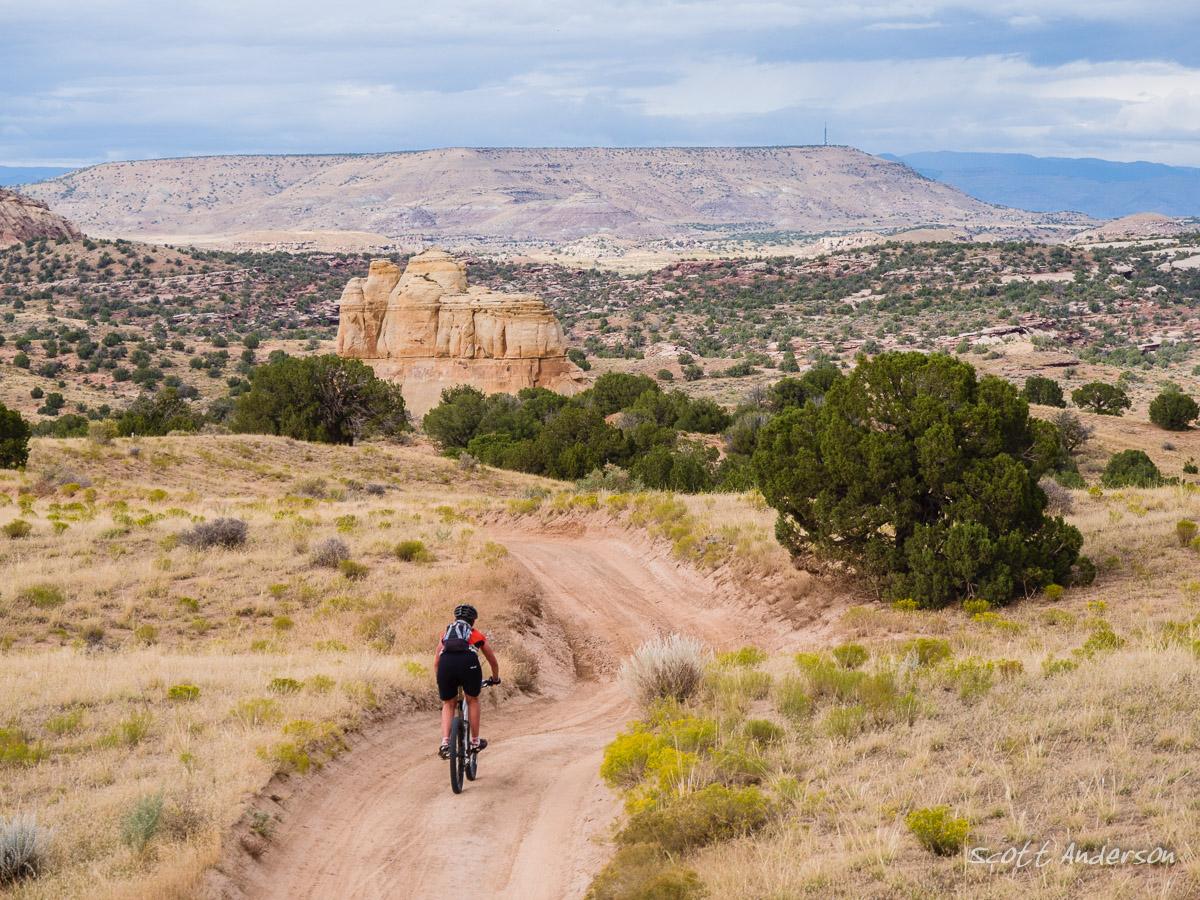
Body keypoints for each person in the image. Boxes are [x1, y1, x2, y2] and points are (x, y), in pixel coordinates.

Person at [435, 603, 500, 758]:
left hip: (446, 665)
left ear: (456, 618)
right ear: (473, 621)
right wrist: (495, 678)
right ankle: (475, 742)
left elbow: (436, 662)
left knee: (448, 703)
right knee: (472, 700)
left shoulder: (446, 634)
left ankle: (445, 743)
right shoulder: (476, 634)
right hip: (468, 663)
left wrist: (441, 678)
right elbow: (492, 660)